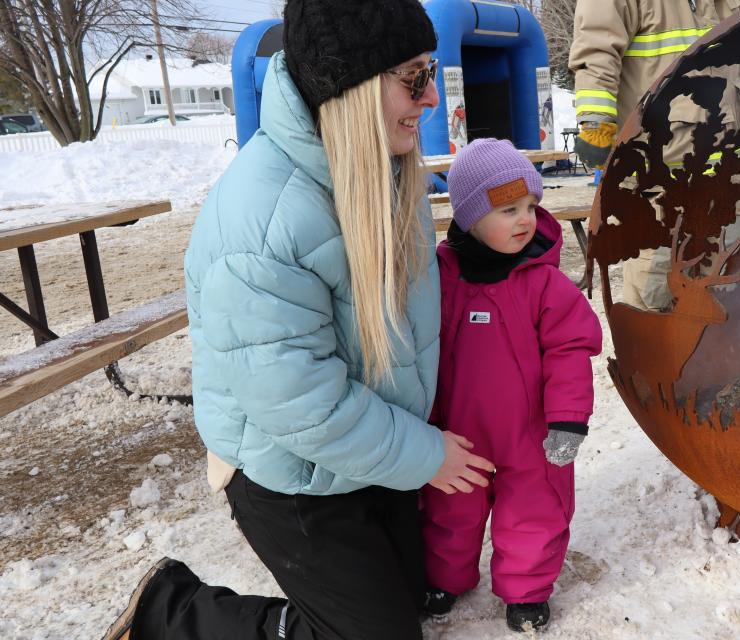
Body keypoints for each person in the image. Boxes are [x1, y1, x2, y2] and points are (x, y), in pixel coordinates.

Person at [101, 2, 495, 639]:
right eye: (413, 78)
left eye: (431, 74)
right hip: (287, 468)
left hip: (363, 442)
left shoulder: (384, 169)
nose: (429, 100)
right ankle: (170, 611)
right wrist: (426, 455)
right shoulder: (260, 223)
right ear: (355, 87)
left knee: (419, 597)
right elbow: (301, 406)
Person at [419, 139, 603, 632]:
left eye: (530, 207)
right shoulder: (440, 277)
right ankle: (444, 577)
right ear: (471, 216)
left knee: (534, 508)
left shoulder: (545, 284)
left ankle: (525, 589)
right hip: (458, 432)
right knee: (447, 507)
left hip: (530, 433)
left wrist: (568, 421)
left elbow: (570, 352)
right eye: (507, 210)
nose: (524, 220)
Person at [568, 0, 740, 312]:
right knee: (656, 294)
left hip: (724, 177)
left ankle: (719, 358)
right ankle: (652, 360)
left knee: (727, 290)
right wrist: (596, 122)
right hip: (658, 178)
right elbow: (596, 50)